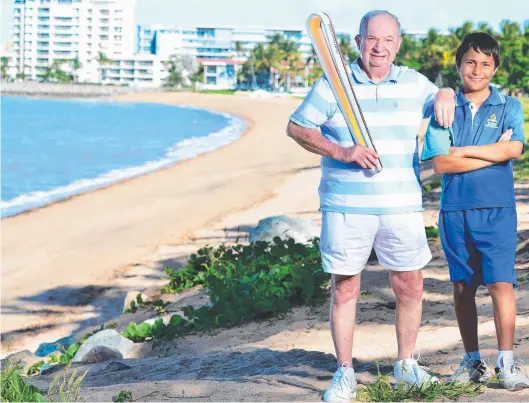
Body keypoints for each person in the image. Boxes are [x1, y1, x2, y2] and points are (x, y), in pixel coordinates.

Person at [286, 9, 456, 402]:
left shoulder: (414, 83)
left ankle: (407, 365)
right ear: (358, 40)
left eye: (388, 40)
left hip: (401, 206)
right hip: (347, 207)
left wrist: (445, 92)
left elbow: (440, 100)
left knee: (411, 285)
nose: (379, 47)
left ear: (398, 43)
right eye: (372, 38)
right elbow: (297, 127)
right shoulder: (334, 83)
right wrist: (342, 151)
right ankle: (344, 373)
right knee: (345, 289)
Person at [421, 32, 529, 391]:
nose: (477, 69)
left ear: (495, 67)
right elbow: (440, 164)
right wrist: (487, 151)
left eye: (485, 63)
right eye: (470, 61)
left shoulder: (509, 106)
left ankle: (507, 361)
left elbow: (513, 151)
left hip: (498, 210)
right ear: (459, 64)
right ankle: (472, 362)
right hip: (455, 210)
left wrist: (462, 151)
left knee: (502, 283)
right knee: (463, 288)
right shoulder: (444, 107)